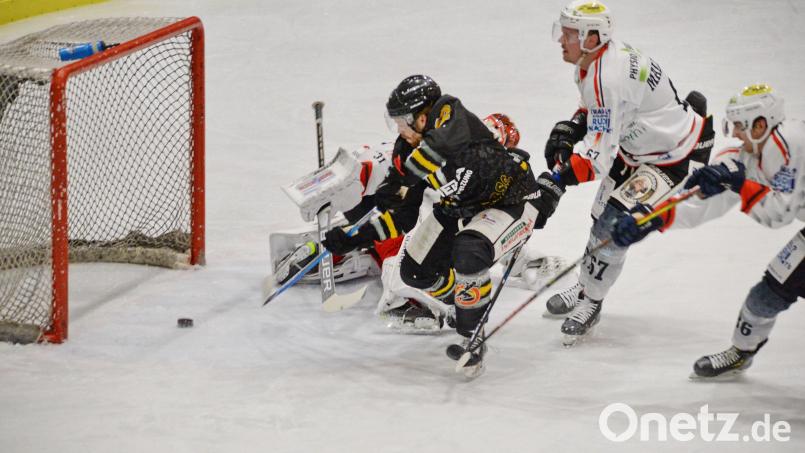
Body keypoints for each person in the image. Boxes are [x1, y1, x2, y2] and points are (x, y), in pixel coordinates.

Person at [542, 0, 714, 344]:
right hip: (639, 147)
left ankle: (592, 301)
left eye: (569, 33)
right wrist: (573, 127)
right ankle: (587, 283)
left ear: (592, 38)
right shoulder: (593, 63)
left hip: (673, 156)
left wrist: (557, 180)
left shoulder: (607, 78)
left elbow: (597, 160)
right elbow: (597, 112)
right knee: (599, 215)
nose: (561, 39)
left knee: (611, 227)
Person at [610, 83, 804, 378]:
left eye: (740, 125)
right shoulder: (745, 154)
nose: (734, 133)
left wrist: (739, 184)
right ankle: (741, 353)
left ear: (761, 125)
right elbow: (700, 200)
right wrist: (651, 218)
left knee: (767, 295)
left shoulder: (793, 145)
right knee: (765, 296)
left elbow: (779, 214)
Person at [376, 74, 564, 376]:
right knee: (414, 272)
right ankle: (459, 303)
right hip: (462, 213)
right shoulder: (435, 146)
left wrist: (549, 193)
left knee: (470, 252)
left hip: (495, 215)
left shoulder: (502, 162)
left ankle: (471, 335)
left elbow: (526, 207)